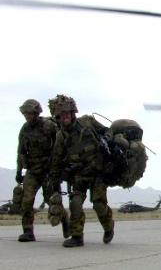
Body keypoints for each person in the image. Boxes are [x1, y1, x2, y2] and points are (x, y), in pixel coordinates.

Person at [49, 95, 114, 247]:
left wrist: (107, 140)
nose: (64, 117)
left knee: (98, 205)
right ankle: (77, 236)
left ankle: (108, 226)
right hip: (79, 175)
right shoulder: (61, 136)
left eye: (67, 114)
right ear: (57, 117)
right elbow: (56, 161)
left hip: (98, 172)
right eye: (60, 115)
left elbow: (108, 131)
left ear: (72, 113)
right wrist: (54, 182)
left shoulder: (87, 122)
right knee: (75, 204)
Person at [16, 99, 70, 242]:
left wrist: (58, 171)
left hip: (48, 171)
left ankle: (65, 219)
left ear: (36, 112)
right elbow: (21, 152)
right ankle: (28, 231)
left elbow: (60, 148)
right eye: (25, 113)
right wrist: (18, 171)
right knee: (26, 201)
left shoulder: (49, 126)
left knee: (51, 202)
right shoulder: (25, 129)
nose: (27, 116)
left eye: (29, 113)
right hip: (33, 171)